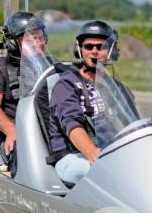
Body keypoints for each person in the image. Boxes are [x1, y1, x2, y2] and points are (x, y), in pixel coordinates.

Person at [47, 20, 121, 186]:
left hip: (108, 154)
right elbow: (71, 124)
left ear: (111, 51)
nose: (94, 51)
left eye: (100, 47)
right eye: (88, 46)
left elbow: (132, 121)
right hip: (72, 157)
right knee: (113, 174)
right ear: (79, 49)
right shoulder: (66, 85)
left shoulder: (114, 86)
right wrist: (92, 152)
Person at [0, 11, 48, 178]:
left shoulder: (53, 66)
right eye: (31, 39)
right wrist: (12, 131)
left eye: (41, 38)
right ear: (12, 43)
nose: (38, 43)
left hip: (49, 130)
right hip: (18, 133)